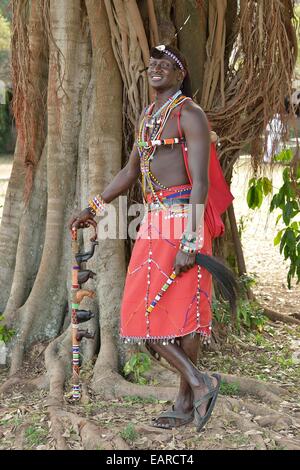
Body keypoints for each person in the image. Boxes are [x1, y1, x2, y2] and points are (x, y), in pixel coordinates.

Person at [70, 45, 233, 431]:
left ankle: (187, 398)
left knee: (182, 319)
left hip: (182, 224)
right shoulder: (148, 116)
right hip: (153, 223)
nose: (156, 68)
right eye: (152, 64)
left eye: (167, 64)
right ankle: (197, 386)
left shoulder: (189, 114)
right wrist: (95, 206)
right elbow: (130, 171)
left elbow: (201, 183)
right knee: (142, 318)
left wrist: (191, 240)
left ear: (181, 74)